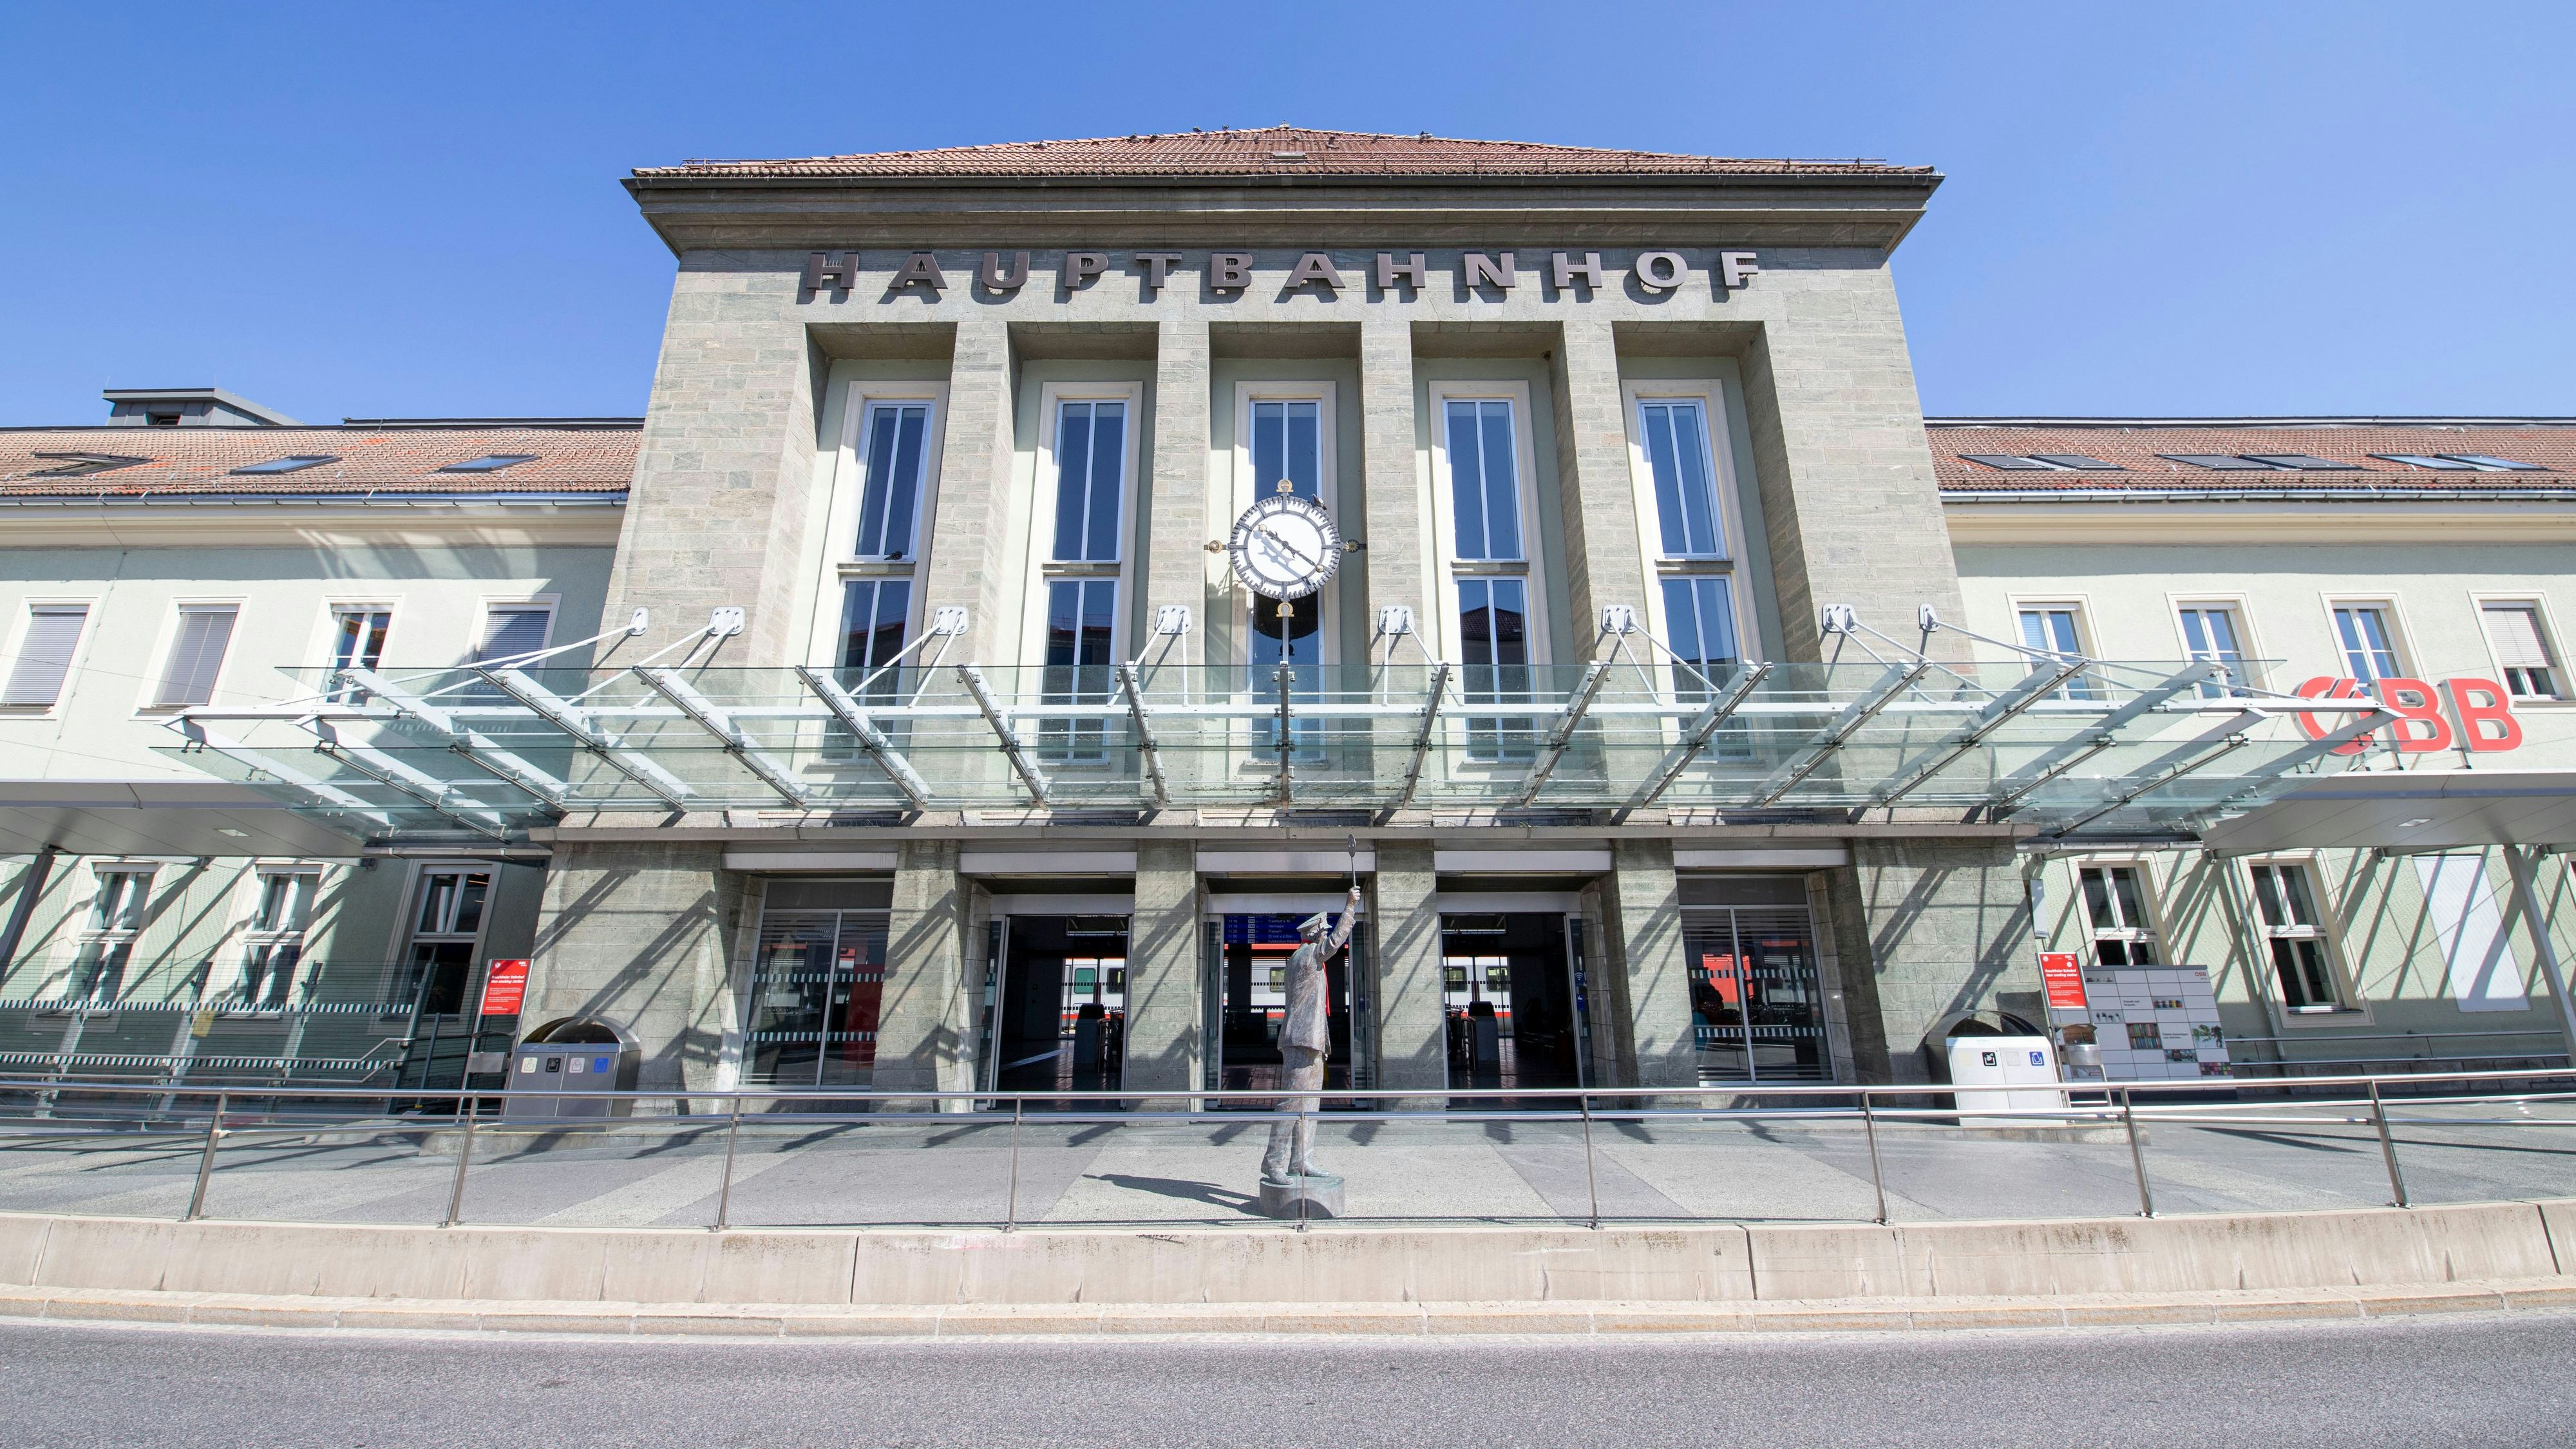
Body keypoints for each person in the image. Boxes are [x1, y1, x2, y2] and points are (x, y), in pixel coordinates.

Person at [1261, 885, 1363, 1186]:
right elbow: (1334, 943)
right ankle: (1274, 1162)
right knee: (1292, 1103)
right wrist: (1350, 907)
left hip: (1313, 1040)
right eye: (1324, 930)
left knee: (1310, 1105)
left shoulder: (1306, 957)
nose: (1326, 934)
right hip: (1301, 1039)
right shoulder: (1306, 956)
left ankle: (1301, 1160)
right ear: (1316, 933)